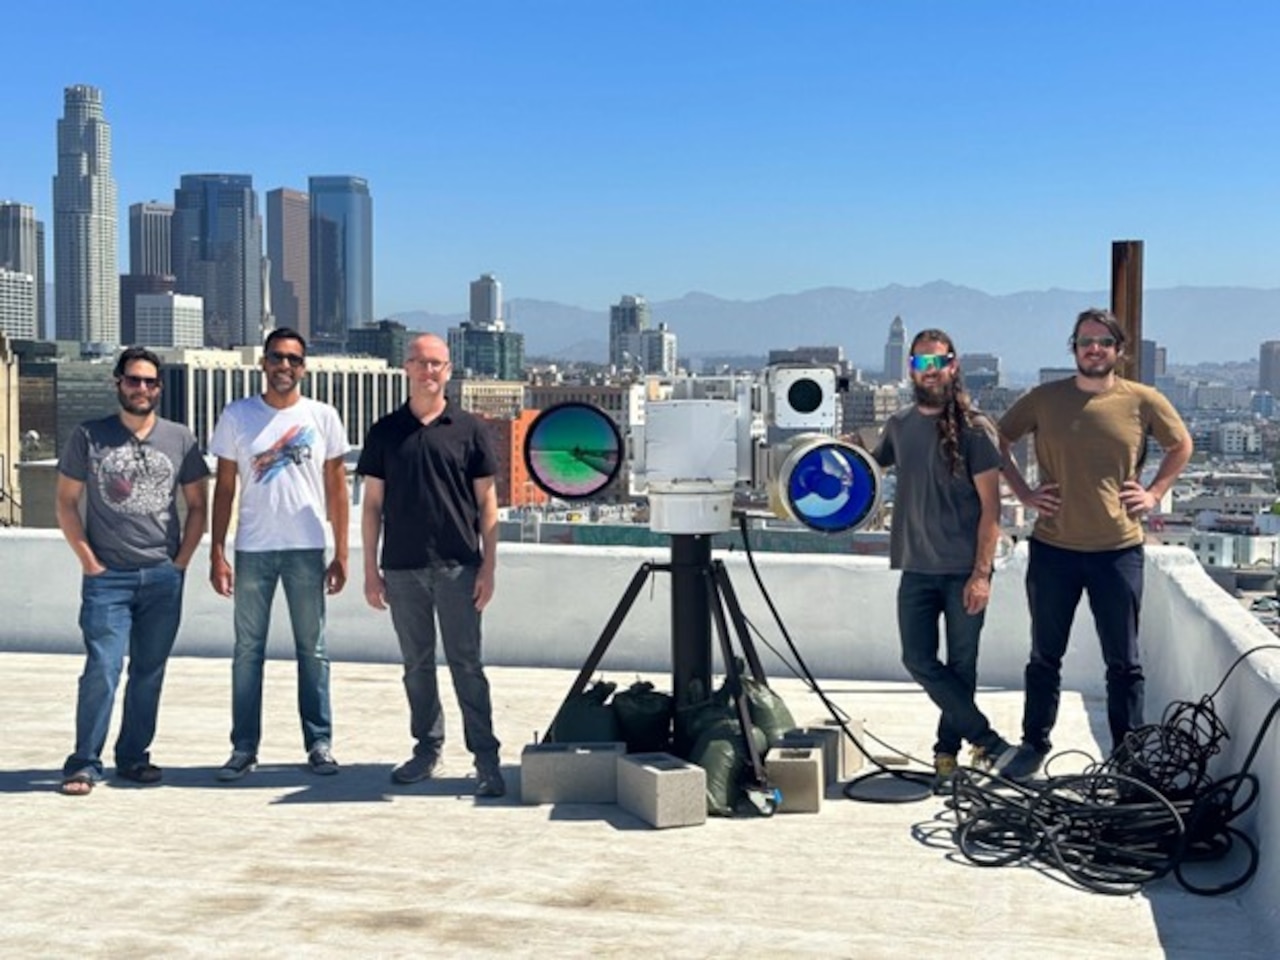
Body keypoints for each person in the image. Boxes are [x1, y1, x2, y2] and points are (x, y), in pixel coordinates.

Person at [997, 308, 1192, 780]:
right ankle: (1033, 743)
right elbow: (997, 439)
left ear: (1119, 351)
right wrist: (1023, 493)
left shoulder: (1143, 400)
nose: (1095, 348)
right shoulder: (1045, 399)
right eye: (1086, 341)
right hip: (1053, 549)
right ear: (1074, 347)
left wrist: (1154, 493)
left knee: (1124, 662)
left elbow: (1180, 444)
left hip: (1117, 551)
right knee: (1045, 656)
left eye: (1104, 342)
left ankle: (1129, 758)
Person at [55, 347, 209, 796]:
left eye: (150, 382)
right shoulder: (90, 436)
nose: (141, 389)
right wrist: (90, 562)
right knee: (102, 667)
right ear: (118, 383)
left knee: (149, 671)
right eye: (133, 380)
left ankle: (133, 757)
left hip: (163, 575)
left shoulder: (180, 438)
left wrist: (180, 562)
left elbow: (198, 505)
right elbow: (65, 502)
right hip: (109, 580)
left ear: (159, 388)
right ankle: (84, 761)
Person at [357, 333, 505, 797]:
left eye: (437, 364)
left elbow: (488, 505)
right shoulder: (384, 431)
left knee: (467, 664)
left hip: (460, 567)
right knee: (416, 665)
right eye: (421, 363)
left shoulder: (470, 430)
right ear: (406, 368)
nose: (429, 371)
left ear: (449, 371)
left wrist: (488, 569)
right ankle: (427, 749)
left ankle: (486, 758)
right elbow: (371, 507)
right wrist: (370, 571)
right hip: (401, 569)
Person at [871, 329, 1016, 791]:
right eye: (920, 364)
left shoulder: (976, 430)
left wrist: (981, 574)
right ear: (910, 369)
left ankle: (947, 752)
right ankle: (989, 740)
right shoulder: (899, 425)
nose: (929, 372)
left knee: (961, 666)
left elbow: (992, 510)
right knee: (916, 658)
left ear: (954, 366)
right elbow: (867, 463)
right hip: (915, 568)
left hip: (962, 571)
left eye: (937, 363)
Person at [209, 328, 349, 781]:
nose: (284, 366)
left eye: (293, 359)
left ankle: (320, 743)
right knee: (247, 652)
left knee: (314, 650)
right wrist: (217, 551)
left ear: (303, 367)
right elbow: (225, 488)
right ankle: (243, 748)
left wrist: (341, 550)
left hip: (307, 548)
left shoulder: (323, 416)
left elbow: (337, 489)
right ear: (263, 364)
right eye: (276, 357)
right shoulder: (237, 415)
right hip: (253, 549)